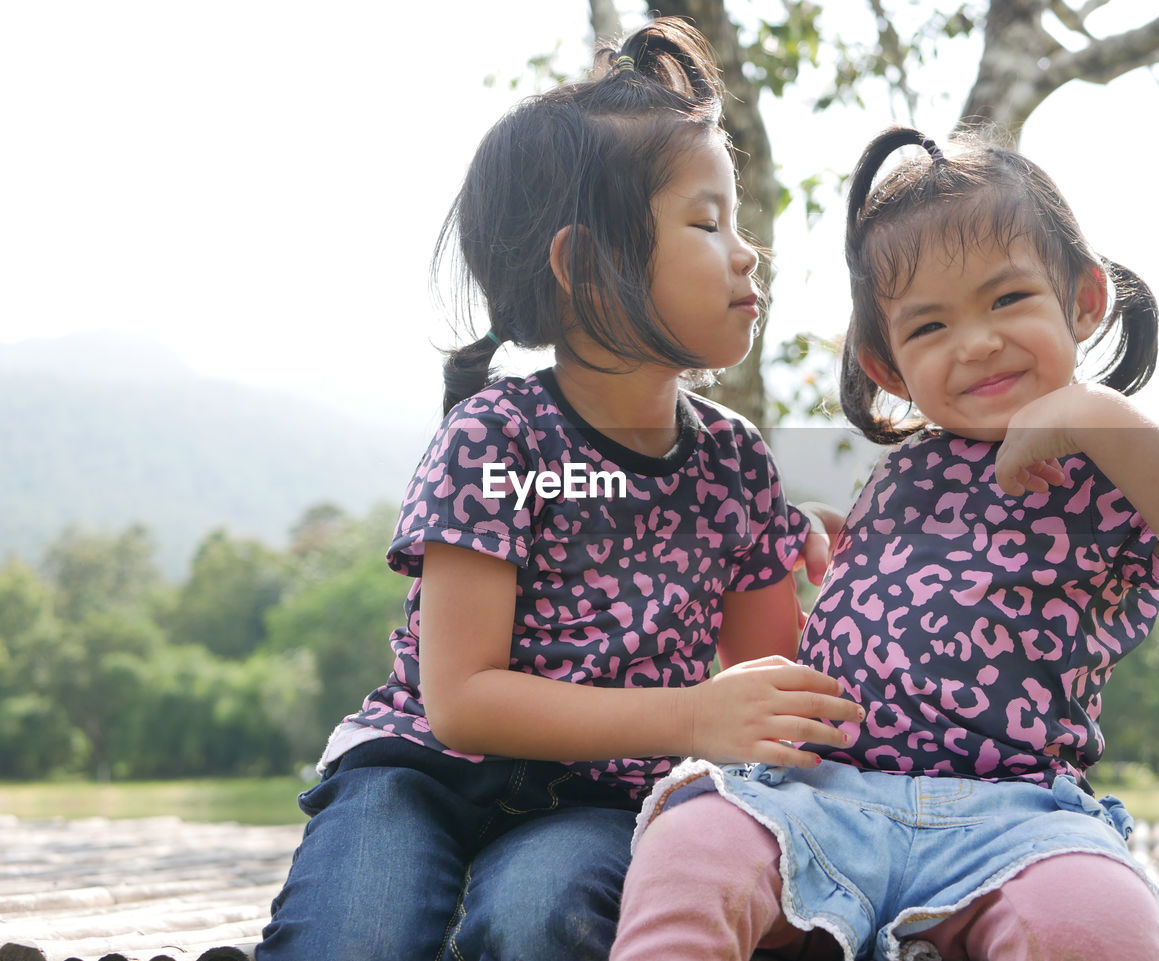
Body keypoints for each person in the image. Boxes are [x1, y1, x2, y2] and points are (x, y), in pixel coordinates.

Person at [254, 18, 863, 961]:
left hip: (597, 800)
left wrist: (846, 569)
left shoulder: (739, 469)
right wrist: (690, 712)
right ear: (583, 266)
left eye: (737, 224)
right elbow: (460, 698)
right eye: (707, 224)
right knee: (353, 937)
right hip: (420, 771)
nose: (749, 255)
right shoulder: (498, 437)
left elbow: (764, 700)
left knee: (540, 918)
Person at [610, 126, 1159, 961]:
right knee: (692, 843)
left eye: (1008, 301)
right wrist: (830, 540)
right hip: (823, 797)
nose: (975, 342)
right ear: (887, 367)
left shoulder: (1114, 461)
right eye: (928, 327)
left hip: (1017, 820)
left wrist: (1099, 416)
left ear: (1084, 300)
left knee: (1092, 919)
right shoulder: (901, 472)